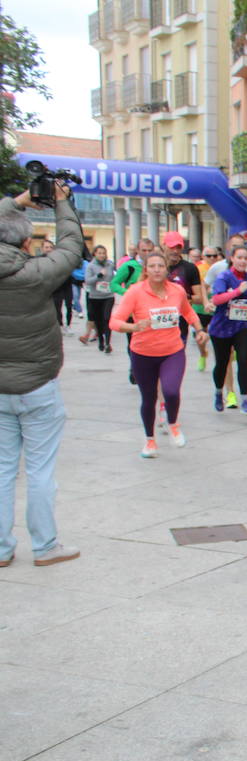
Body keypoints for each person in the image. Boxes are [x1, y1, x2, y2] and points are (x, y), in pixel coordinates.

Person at [0, 182, 82, 567]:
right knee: (39, 471)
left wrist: (17, 202)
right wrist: (61, 202)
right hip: (37, 386)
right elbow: (71, 245)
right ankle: (45, 545)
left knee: (2, 472)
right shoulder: (36, 272)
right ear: (25, 242)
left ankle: (2, 549)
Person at [109, 251, 207, 456]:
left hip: (172, 350)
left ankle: (173, 424)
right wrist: (134, 327)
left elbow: (188, 311)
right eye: (152, 266)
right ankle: (150, 441)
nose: (156, 270)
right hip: (143, 353)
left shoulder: (177, 291)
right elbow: (114, 322)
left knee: (171, 391)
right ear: (146, 270)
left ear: (166, 270)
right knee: (149, 398)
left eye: (160, 266)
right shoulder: (135, 292)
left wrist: (199, 330)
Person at [207, 245, 247, 415]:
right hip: (222, 326)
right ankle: (219, 392)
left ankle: (245, 400)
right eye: (239, 257)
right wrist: (237, 292)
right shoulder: (224, 277)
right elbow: (216, 299)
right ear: (232, 258)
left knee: (243, 360)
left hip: (243, 325)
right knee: (222, 363)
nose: (243, 261)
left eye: (246, 258)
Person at [161, 231, 208, 377]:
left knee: (176, 358)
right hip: (157, 321)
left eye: (179, 247)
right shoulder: (156, 267)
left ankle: (171, 382)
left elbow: (199, 298)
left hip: (180, 321)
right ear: (164, 246)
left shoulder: (189, 268)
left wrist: (184, 296)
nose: (175, 251)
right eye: (172, 247)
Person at [111, 237, 155, 385]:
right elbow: (114, 284)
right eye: (144, 250)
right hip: (133, 313)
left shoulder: (157, 266)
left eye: (150, 250)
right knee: (133, 342)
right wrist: (128, 294)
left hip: (152, 312)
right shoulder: (129, 266)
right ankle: (134, 368)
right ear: (137, 250)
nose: (147, 253)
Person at [81, 245, 117, 352]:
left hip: (108, 296)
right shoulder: (91, 266)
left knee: (107, 318)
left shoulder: (110, 265)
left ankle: (107, 343)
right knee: (98, 320)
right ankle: (101, 340)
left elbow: (115, 277)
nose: (102, 255)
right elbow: (88, 281)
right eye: (99, 253)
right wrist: (99, 276)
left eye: (103, 253)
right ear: (95, 254)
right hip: (95, 297)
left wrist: (114, 283)